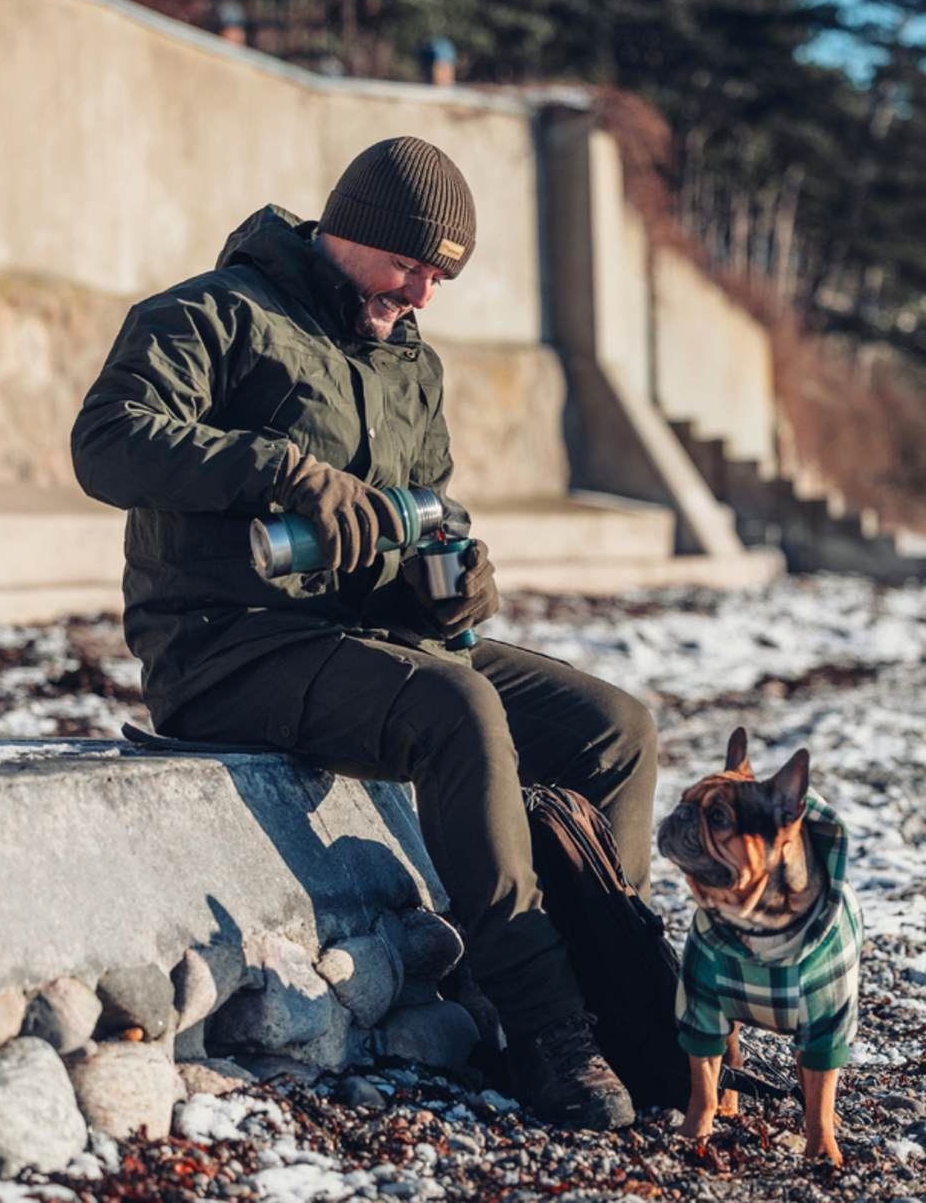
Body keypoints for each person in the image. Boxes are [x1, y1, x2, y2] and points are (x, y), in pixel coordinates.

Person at [71, 136, 657, 1130]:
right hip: (227, 648)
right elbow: (106, 442)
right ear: (354, 232)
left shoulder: (405, 362)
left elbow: (419, 517)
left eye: (441, 276)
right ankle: (547, 1030)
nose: (423, 293)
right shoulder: (213, 315)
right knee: (455, 704)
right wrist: (276, 468)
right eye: (412, 265)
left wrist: (450, 588)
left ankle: (618, 1002)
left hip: (363, 642)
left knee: (613, 724)